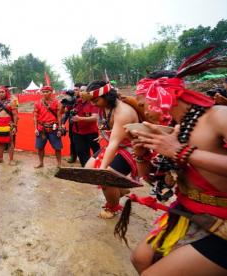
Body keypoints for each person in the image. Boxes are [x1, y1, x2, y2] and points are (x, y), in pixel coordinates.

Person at [122, 56, 227, 274]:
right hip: (187, 210)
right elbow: (152, 180)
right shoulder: (175, 128)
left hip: (222, 219)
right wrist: (140, 154)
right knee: (140, 259)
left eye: (143, 105)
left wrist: (179, 151)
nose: (143, 112)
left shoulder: (218, 116)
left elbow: (181, 154)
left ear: (161, 95)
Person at [82, 81, 139, 219]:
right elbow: (109, 134)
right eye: (92, 101)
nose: (94, 104)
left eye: (96, 100)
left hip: (132, 148)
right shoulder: (105, 106)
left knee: (105, 178)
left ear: (107, 96)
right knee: (89, 168)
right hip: (114, 145)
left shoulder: (123, 112)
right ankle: (121, 188)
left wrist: (103, 170)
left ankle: (112, 207)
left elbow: (114, 143)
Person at [62, 84, 100, 167]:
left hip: (91, 132)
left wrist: (80, 119)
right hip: (77, 133)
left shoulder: (93, 103)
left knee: (96, 150)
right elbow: (64, 111)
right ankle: (86, 167)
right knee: (80, 151)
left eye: (84, 90)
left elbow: (95, 117)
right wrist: (64, 103)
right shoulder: (76, 102)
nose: (81, 92)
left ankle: (98, 167)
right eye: (81, 90)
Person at [33, 85, 63, 168]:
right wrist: (35, 128)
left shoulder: (57, 102)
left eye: (47, 91)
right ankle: (41, 163)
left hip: (54, 128)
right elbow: (35, 116)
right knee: (40, 147)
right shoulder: (37, 103)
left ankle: (59, 163)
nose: (45, 93)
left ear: (51, 92)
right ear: (41, 93)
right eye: (43, 92)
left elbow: (59, 116)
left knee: (57, 147)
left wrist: (60, 128)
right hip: (41, 128)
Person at [0, 85, 18, 165]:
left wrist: (15, 126)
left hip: (9, 125)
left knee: (10, 142)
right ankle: (0, 158)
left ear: (6, 92)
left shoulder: (12, 102)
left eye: (2, 92)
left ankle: (11, 160)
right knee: (0, 142)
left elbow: (15, 115)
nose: (0, 94)